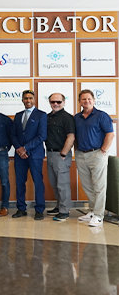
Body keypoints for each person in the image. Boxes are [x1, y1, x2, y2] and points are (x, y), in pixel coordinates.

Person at [74, 89, 114, 227]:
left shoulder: (101, 116)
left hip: (97, 153)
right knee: (87, 185)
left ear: (94, 100)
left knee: (99, 186)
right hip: (80, 154)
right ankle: (92, 210)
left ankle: (98, 215)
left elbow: (110, 134)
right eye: (83, 99)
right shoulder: (76, 117)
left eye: (89, 99)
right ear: (79, 101)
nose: (86, 101)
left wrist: (103, 151)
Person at [10, 90, 47, 220]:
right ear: (22, 100)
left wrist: (25, 148)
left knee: (38, 182)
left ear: (34, 99)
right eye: (25, 98)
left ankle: (39, 209)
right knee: (20, 182)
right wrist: (19, 149)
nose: (28, 100)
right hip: (19, 156)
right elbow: (13, 135)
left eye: (30, 98)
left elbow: (42, 136)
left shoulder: (41, 115)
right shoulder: (18, 115)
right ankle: (21, 208)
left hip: (35, 154)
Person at [45, 93, 75, 222]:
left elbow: (71, 137)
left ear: (64, 102)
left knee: (62, 184)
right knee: (54, 183)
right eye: (53, 102)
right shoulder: (47, 117)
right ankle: (59, 206)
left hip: (61, 154)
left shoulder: (67, 117)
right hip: (50, 154)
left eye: (58, 102)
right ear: (50, 102)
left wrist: (63, 153)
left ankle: (64, 211)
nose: (55, 104)